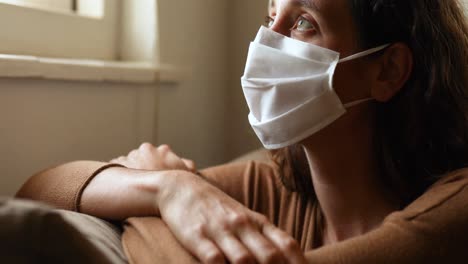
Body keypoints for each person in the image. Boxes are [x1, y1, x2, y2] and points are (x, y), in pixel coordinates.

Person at [16, 0, 468, 263]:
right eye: (272, 12)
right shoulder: (278, 189)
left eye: (304, 22)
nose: (267, 41)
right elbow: (39, 191)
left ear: (387, 71)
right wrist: (171, 189)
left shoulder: (456, 204)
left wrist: (149, 214)